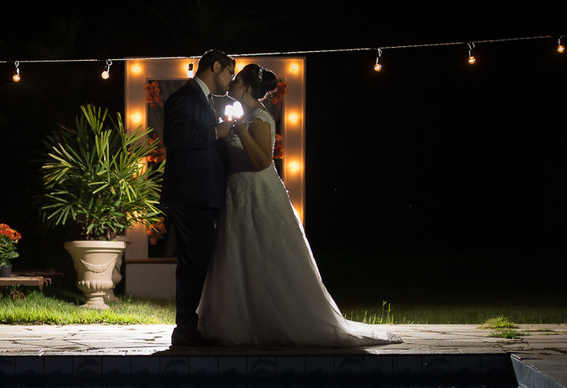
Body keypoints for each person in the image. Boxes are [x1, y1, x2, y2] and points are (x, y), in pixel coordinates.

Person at [197, 64, 401, 346]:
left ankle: (276, 318)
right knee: (238, 252)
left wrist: (241, 131)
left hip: (257, 190)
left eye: (236, 81)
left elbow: (262, 162)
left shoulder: (258, 118)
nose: (230, 84)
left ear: (245, 88)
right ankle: (239, 319)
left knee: (266, 251)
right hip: (236, 193)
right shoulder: (240, 117)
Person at [160, 49, 236, 347]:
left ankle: (191, 326)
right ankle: (185, 329)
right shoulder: (184, 97)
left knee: (199, 259)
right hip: (191, 193)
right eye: (229, 72)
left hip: (203, 192)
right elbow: (174, 139)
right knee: (192, 261)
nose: (229, 80)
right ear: (215, 66)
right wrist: (215, 132)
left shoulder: (202, 99)